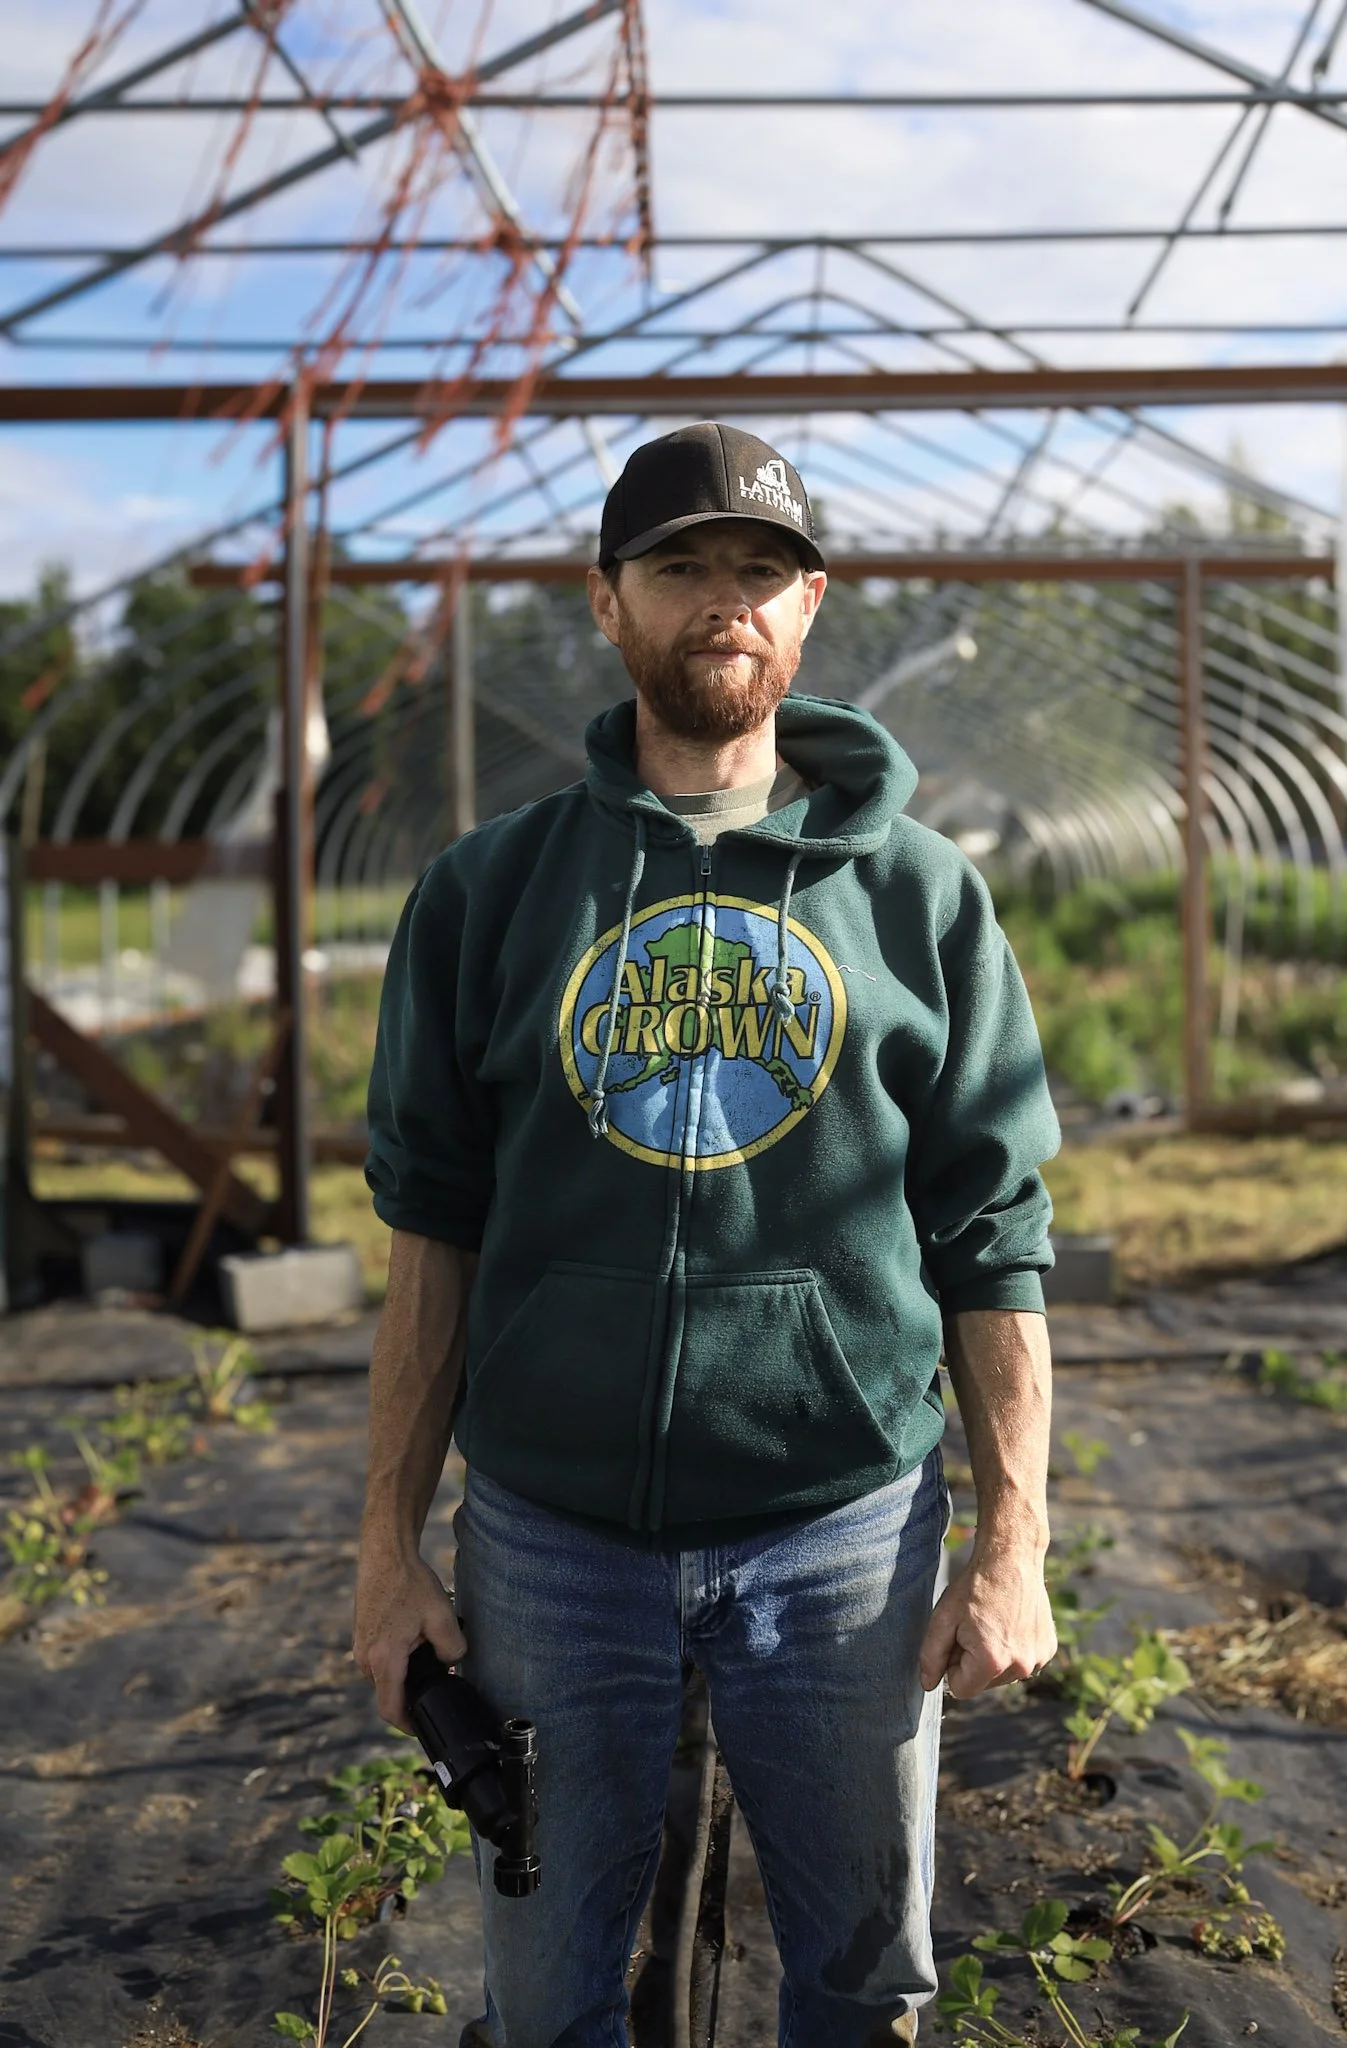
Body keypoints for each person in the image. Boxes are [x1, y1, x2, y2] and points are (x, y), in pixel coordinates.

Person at [353, 421, 1061, 2047]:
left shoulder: (926, 902)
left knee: (861, 1979)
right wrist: (387, 1552)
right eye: (680, 568)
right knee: (548, 1997)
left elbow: (993, 1240)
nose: (721, 601)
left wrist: (1015, 1546)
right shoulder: (490, 894)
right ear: (609, 603)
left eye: (760, 571)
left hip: (839, 1531)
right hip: (552, 1538)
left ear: (809, 609)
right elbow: (430, 1241)